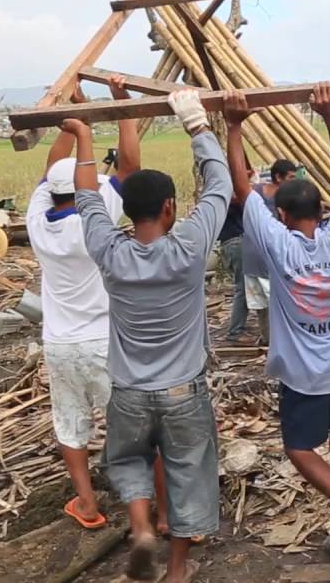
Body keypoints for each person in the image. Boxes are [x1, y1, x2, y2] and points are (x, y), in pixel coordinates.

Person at [66, 88, 229, 583]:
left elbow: (87, 197)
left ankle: (141, 529)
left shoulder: (109, 251)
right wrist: (197, 124)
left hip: (130, 392)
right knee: (187, 476)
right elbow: (219, 186)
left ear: (129, 212)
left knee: (130, 460)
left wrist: (83, 134)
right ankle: (177, 571)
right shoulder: (188, 249)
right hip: (183, 391)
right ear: (169, 206)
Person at [223, 84, 330, 562]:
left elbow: (242, 188)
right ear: (323, 210)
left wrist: (233, 125)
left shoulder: (278, 243)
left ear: (284, 214)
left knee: (298, 448)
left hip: (308, 376)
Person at [27, 75, 171, 532]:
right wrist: (121, 109)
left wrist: (69, 126)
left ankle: (87, 503)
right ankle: (161, 514)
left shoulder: (37, 221)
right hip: (106, 343)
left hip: (60, 344)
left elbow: (50, 171)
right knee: (140, 429)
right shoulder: (95, 217)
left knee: (70, 422)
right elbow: (129, 166)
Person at [244, 158, 298, 339]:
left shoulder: (256, 193)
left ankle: (270, 338)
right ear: (278, 177)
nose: (293, 181)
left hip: (255, 253)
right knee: (272, 301)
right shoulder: (278, 197)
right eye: (290, 177)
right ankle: (276, 338)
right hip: (264, 255)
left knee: (264, 302)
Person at [217, 162, 254, 342]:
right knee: (243, 288)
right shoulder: (229, 193)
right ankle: (235, 332)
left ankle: (238, 329)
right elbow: (240, 198)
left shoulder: (226, 189)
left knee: (244, 287)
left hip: (234, 243)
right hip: (235, 242)